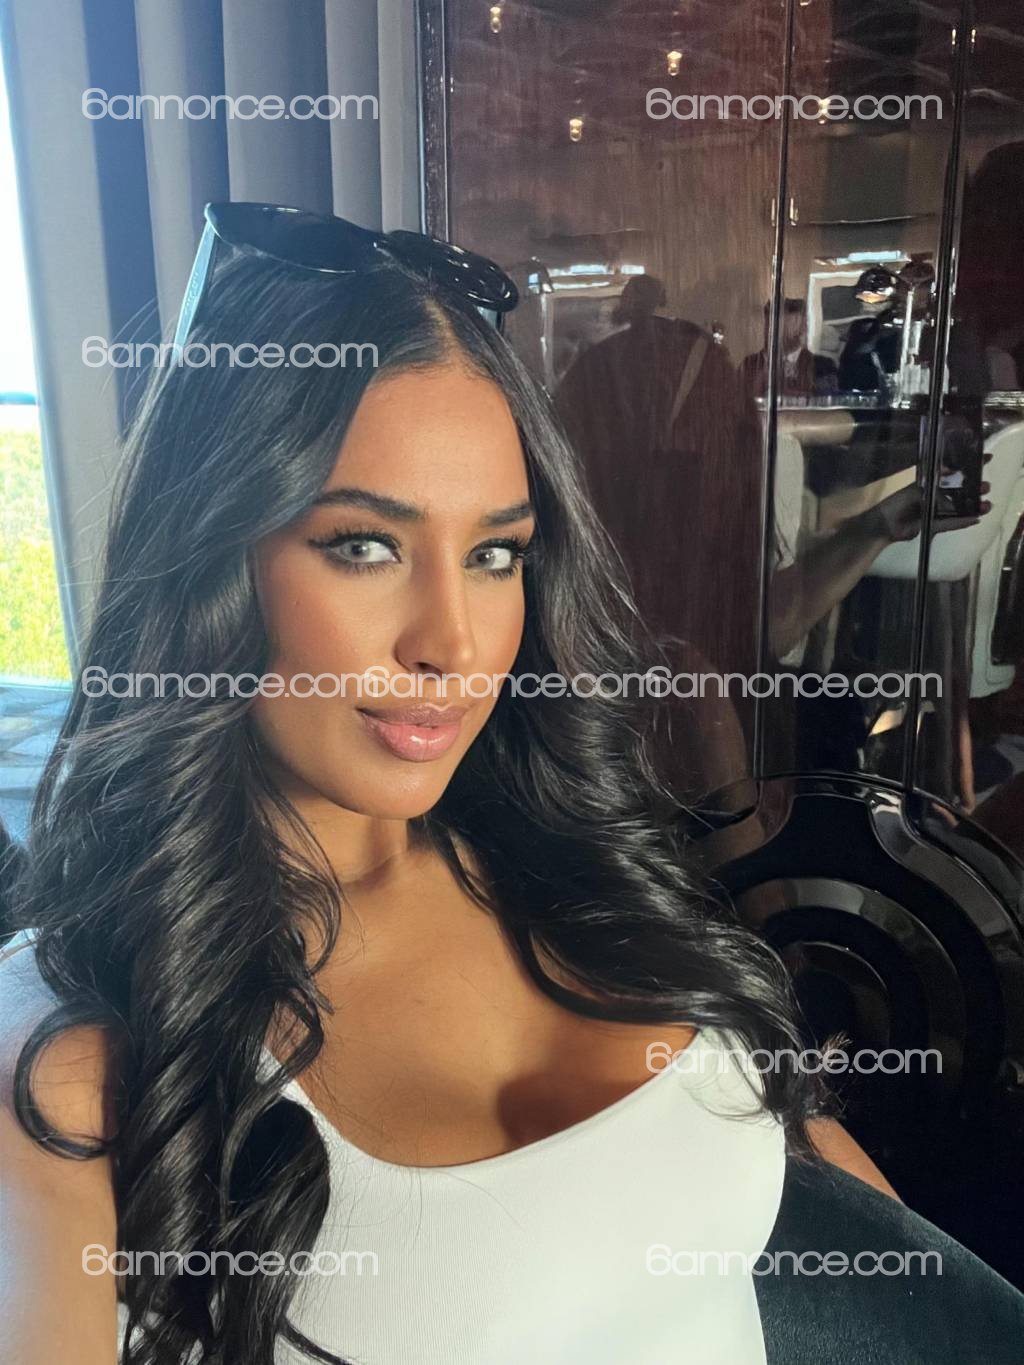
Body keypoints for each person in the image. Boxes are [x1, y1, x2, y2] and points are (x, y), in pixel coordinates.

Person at [1, 206, 1022, 1365]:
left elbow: (869, 1242)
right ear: (207, 565)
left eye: (494, 554)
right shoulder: (80, 1060)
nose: (452, 641)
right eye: (364, 545)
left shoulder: (570, 859)